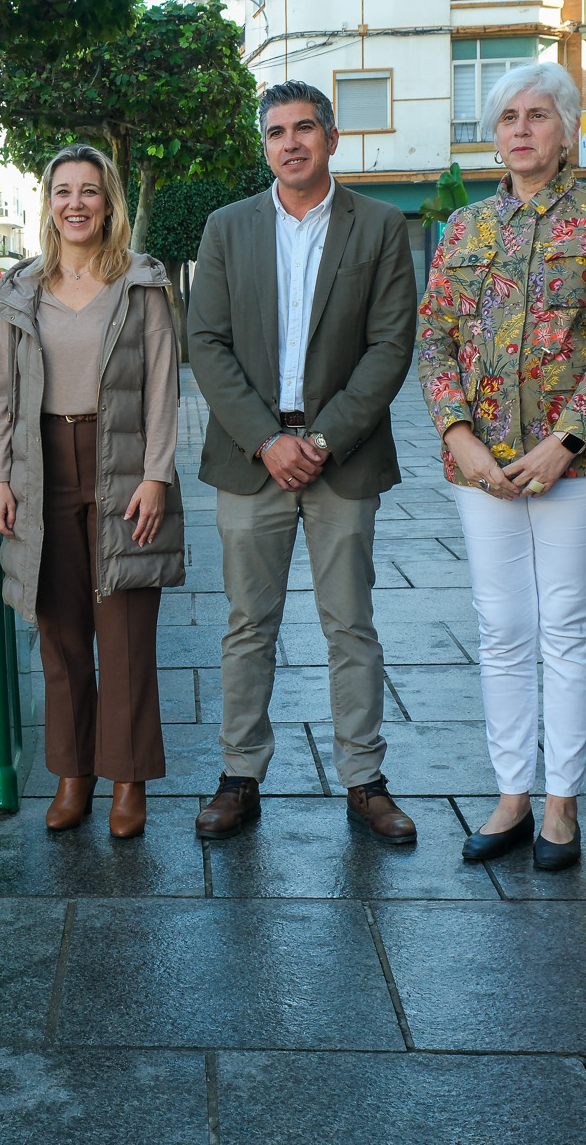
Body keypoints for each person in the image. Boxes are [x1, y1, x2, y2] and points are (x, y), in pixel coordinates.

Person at [415, 61, 586, 872]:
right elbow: (433, 336)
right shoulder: (466, 229)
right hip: (481, 466)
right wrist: (461, 438)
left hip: (582, 463)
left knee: (567, 626)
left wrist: (565, 439)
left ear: (567, 126)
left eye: (536, 114)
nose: (519, 129)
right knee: (501, 627)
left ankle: (561, 806)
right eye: (506, 115)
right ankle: (511, 794)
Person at [187, 81, 419, 845]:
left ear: (331, 137)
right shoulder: (226, 228)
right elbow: (208, 345)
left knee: (350, 624)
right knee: (247, 624)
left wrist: (320, 442)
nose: (291, 143)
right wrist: (267, 438)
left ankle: (364, 779)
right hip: (251, 454)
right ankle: (238, 774)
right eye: (277, 132)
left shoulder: (380, 227)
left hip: (340, 459)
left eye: (305, 129)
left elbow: (391, 347)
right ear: (266, 145)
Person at [0, 143, 183, 838]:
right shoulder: (21, 290)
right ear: (48, 202)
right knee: (60, 634)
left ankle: (129, 780)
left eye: (89, 191)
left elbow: (163, 383)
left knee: (125, 635)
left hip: (123, 466)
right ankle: (73, 774)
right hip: (42, 469)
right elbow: (1, 393)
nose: (76, 203)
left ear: (109, 202)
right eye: (63, 190)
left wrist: (157, 473)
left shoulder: (142, 283)